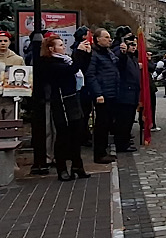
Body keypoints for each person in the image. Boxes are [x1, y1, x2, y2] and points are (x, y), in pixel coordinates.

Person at [36, 35, 91, 181]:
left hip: (73, 98)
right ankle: (62, 168)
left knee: (77, 134)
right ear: (51, 48)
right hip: (61, 102)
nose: (63, 47)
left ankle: (77, 165)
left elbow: (80, 68)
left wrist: (87, 53)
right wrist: (79, 52)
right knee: (63, 136)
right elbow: (71, 70)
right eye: (60, 45)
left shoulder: (65, 59)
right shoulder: (49, 62)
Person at [86, 28, 120, 163]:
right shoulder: (94, 54)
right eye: (106, 37)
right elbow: (90, 75)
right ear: (97, 39)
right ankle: (99, 154)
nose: (109, 39)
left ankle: (104, 151)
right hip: (103, 94)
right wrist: (98, 93)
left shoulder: (108, 53)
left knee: (107, 124)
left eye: (109, 37)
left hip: (111, 93)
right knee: (101, 124)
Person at [114, 33, 142, 153]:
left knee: (129, 121)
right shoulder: (124, 57)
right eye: (131, 45)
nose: (133, 47)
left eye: (134, 45)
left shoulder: (133, 58)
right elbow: (120, 62)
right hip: (125, 94)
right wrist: (123, 52)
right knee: (123, 121)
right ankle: (122, 144)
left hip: (133, 94)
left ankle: (125, 141)